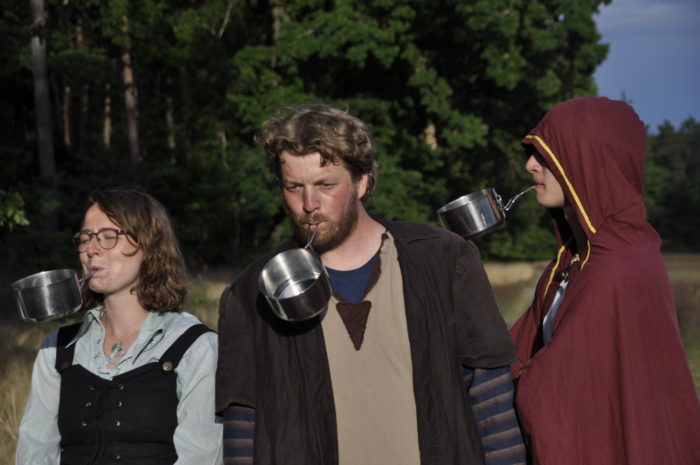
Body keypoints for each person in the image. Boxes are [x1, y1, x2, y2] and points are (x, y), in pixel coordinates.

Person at [216, 104, 525, 465]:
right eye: (294, 187)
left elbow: (490, 395)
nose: (308, 204)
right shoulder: (253, 292)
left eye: (326, 185)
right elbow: (243, 421)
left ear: (361, 182)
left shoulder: (443, 259)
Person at [509, 97, 700, 464]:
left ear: (586, 163)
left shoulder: (618, 269)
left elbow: (555, 396)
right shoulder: (572, 262)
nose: (529, 165)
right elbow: (517, 351)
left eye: (545, 157)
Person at [16, 188, 223, 465]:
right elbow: (35, 452)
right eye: (85, 238)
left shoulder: (196, 347)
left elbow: (201, 457)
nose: (91, 249)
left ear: (148, 245)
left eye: (108, 236)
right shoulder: (57, 349)